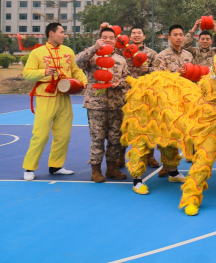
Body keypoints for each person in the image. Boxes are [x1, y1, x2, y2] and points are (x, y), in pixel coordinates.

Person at [22, 23, 88, 181]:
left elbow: (76, 70)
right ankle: (29, 167)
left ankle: (56, 166)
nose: (64, 35)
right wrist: (44, 72)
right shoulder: (37, 52)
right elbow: (27, 74)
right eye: (61, 32)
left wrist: (84, 82)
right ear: (51, 33)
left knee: (63, 135)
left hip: (65, 97)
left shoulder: (68, 51)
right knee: (41, 135)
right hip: (45, 98)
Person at [76, 27, 131, 183]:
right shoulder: (91, 57)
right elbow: (78, 62)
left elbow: (128, 80)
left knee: (115, 139)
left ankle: (112, 169)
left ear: (115, 40)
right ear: (99, 38)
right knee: (98, 139)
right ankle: (96, 170)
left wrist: (119, 83)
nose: (108, 40)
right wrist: (94, 48)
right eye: (104, 37)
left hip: (116, 105)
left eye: (111, 38)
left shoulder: (120, 60)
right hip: (96, 106)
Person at [151, 24, 193, 178]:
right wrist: (177, 73)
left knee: (182, 133)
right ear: (169, 38)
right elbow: (157, 79)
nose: (179, 37)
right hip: (167, 102)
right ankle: (168, 166)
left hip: (185, 101)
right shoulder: (161, 56)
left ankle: (174, 166)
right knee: (166, 134)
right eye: (175, 34)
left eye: (181, 34)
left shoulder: (188, 55)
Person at [120, 25, 158, 168]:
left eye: (139, 33)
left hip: (145, 96)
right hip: (126, 94)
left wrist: (148, 69)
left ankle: (150, 156)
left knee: (148, 126)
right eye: (134, 33)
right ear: (129, 37)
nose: (136, 35)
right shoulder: (122, 52)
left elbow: (158, 70)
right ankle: (120, 156)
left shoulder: (152, 53)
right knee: (123, 126)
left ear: (144, 36)